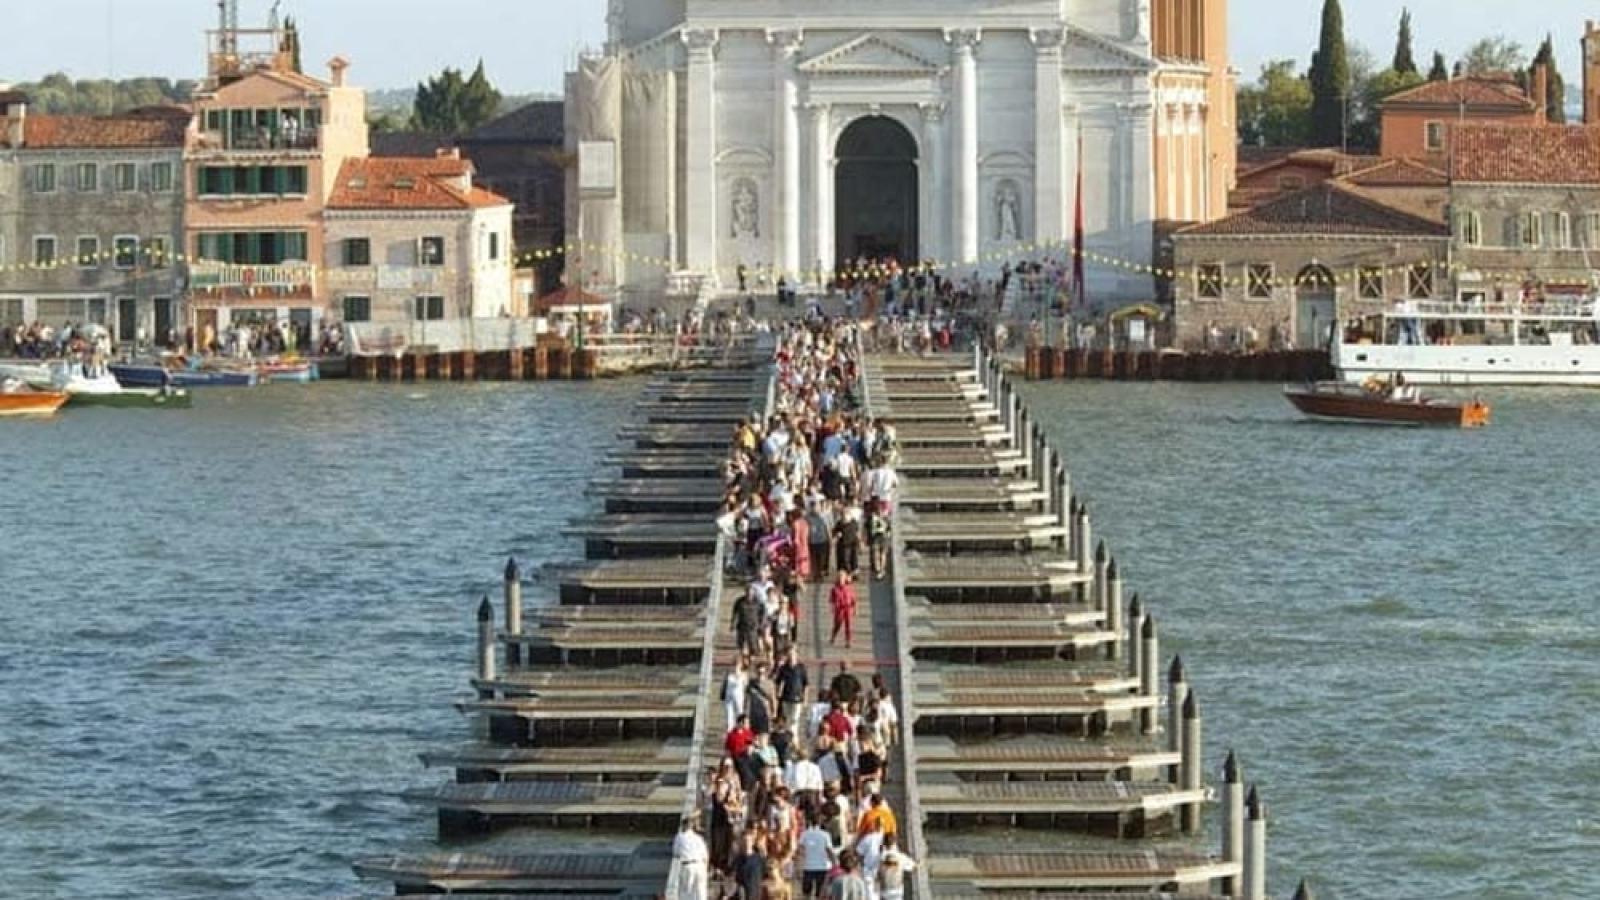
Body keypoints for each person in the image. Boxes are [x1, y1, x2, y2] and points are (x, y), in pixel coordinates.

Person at [670, 816, 710, 900]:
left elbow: (675, 853)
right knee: (701, 892)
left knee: (686, 892)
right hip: (700, 865)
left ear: (683, 826)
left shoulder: (680, 836)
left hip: (688, 865)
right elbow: (705, 856)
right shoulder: (699, 838)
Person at [798, 818, 836, 899]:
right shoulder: (825, 835)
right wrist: (835, 863)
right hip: (822, 866)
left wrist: (798, 866)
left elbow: (800, 850)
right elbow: (829, 850)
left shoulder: (804, 834)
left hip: (808, 866)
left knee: (806, 893)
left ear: (809, 821)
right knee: (820, 893)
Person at [775, 648, 808, 738]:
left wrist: (805, 698)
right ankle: (787, 738)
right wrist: (778, 693)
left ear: (796, 655)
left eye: (793, 655)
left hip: (797, 698)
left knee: (795, 720)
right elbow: (778, 682)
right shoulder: (783, 668)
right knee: (787, 719)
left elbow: (806, 684)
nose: (791, 657)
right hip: (786, 697)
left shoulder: (801, 668)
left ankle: (793, 738)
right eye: (789, 655)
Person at [875, 834, 917, 900]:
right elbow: (913, 867)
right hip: (897, 891)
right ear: (895, 843)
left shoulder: (879, 857)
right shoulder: (901, 857)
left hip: (885, 892)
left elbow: (876, 875)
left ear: (884, 843)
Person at [829, 570, 858, 648]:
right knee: (838, 624)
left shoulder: (849, 587)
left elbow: (853, 599)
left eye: (843, 577)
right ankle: (833, 636)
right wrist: (832, 608)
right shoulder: (834, 589)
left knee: (848, 625)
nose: (841, 579)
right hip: (839, 609)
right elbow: (832, 600)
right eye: (840, 577)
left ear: (845, 578)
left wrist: (855, 609)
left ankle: (848, 641)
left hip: (847, 607)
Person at [723, 659, 750, 731]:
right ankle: (730, 731)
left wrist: (740, 675)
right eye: (734, 664)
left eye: (738, 665)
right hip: (729, 697)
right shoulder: (729, 674)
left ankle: (740, 729)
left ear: (741, 665)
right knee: (729, 714)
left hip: (739, 696)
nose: (736, 666)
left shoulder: (744, 674)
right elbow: (725, 685)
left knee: (739, 712)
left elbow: (746, 686)